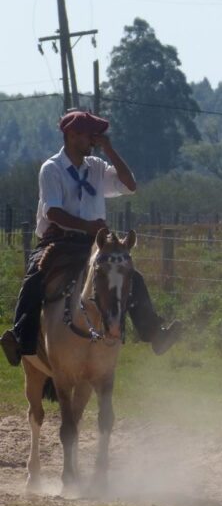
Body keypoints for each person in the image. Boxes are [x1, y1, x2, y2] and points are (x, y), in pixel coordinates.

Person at [0, 110, 182, 367]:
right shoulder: (51, 169)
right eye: (89, 134)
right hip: (58, 241)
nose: (95, 139)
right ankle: (22, 339)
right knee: (34, 278)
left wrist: (108, 149)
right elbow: (52, 211)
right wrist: (86, 226)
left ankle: (154, 334)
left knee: (132, 276)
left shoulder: (96, 166)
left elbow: (130, 185)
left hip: (93, 244)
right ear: (72, 135)